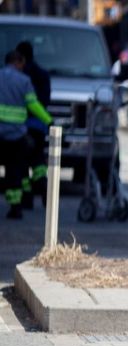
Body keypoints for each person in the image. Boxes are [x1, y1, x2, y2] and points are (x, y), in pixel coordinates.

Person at [0, 50, 52, 219]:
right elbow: (33, 105)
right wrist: (48, 120)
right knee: (14, 170)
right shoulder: (24, 80)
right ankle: (16, 206)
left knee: (10, 170)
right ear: (19, 62)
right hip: (17, 135)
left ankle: (16, 204)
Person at [16, 41, 50, 210]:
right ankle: (44, 191)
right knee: (38, 161)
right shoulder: (43, 74)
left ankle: (27, 197)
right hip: (39, 125)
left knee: (21, 162)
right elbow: (45, 101)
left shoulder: (20, 75)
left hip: (21, 125)